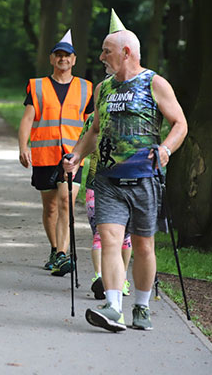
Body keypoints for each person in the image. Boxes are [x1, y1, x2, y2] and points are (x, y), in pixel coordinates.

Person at [63, 9, 187, 331]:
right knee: (110, 238)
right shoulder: (104, 89)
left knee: (144, 245)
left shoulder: (154, 83)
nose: (102, 56)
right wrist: (76, 155)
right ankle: (113, 306)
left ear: (126, 53)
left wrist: (165, 149)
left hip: (144, 178)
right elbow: (94, 130)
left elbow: (180, 124)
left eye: (107, 51)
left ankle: (141, 307)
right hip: (107, 180)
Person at [18, 29, 93, 277]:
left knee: (66, 203)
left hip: (73, 156)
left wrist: (85, 152)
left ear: (74, 60)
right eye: (58, 55)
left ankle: (62, 254)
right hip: (45, 155)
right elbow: (28, 119)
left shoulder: (86, 88)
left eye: (67, 56)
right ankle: (54, 249)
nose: (63, 59)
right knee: (50, 208)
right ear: (52, 59)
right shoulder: (38, 86)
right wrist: (23, 147)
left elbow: (92, 125)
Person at [82, 114, 132, 300]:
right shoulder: (99, 118)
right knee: (118, 234)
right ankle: (109, 278)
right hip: (106, 183)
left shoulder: (95, 118)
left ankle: (110, 277)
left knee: (104, 234)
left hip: (111, 183)